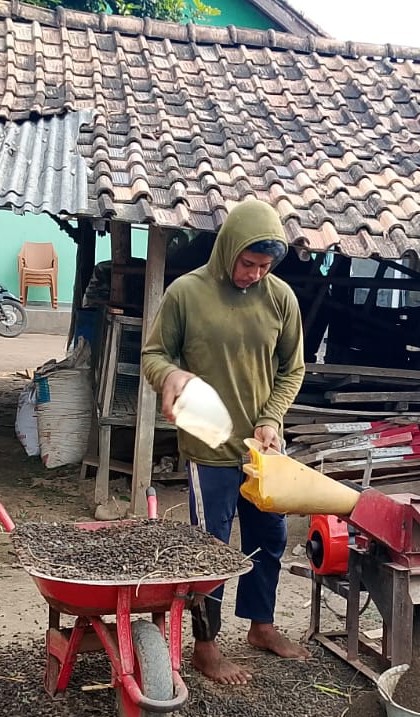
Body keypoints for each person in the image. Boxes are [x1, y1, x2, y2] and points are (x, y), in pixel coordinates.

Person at [140, 198, 309, 685]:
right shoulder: (186, 293)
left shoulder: (280, 299)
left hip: (261, 451)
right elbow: (154, 354)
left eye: (265, 265)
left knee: (269, 539)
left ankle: (261, 626)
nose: (255, 274)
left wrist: (272, 418)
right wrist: (169, 374)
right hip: (207, 447)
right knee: (209, 549)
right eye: (248, 262)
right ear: (228, 248)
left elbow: (291, 367)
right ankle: (206, 645)